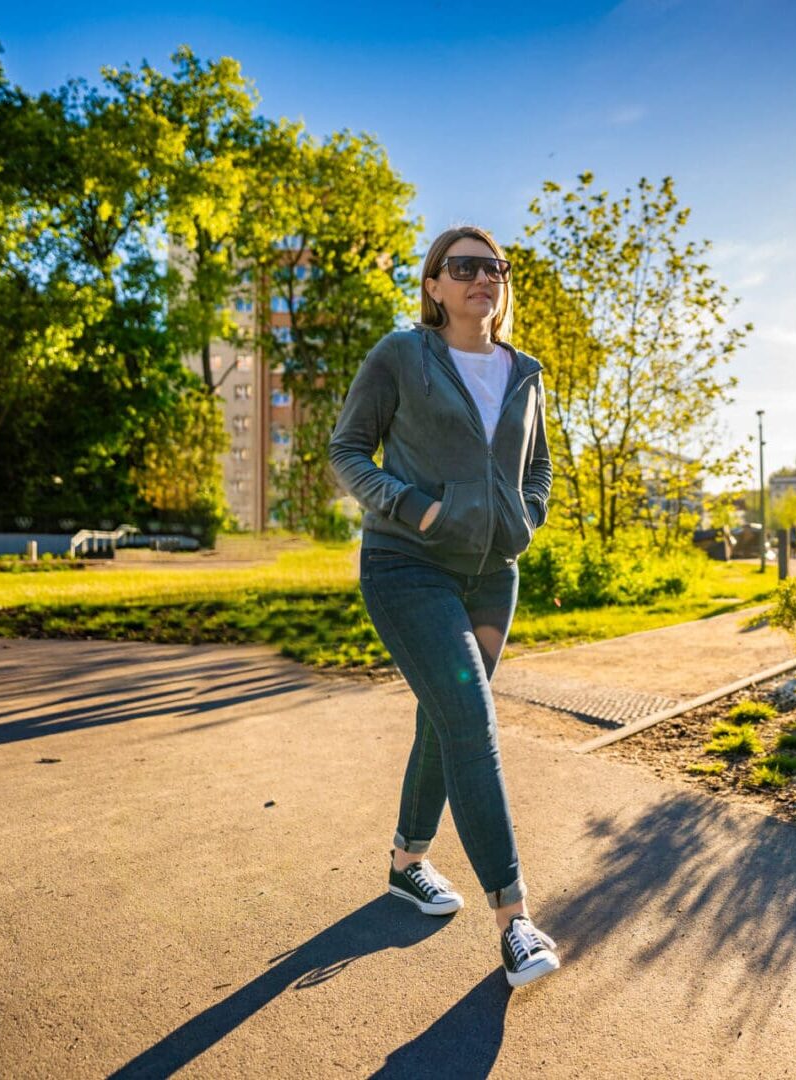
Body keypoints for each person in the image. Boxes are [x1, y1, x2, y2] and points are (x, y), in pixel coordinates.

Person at [328, 225, 560, 989]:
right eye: (461, 268)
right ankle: (516, 919)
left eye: (492, 267)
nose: (480, 279)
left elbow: (540, 467)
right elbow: (347, 450)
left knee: (444, 716)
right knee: (471, 721)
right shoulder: (402, 356)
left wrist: (525, 518)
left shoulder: (525, 372)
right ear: (433, 286)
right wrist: (413, 509)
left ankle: (406, 861)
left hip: (493, 574)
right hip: (408, 565)